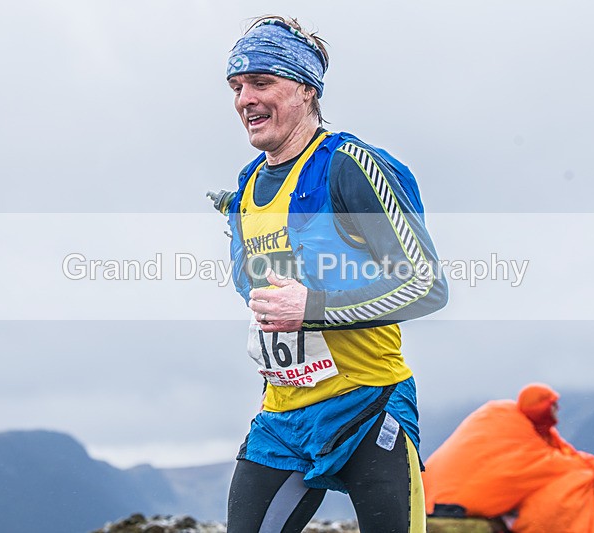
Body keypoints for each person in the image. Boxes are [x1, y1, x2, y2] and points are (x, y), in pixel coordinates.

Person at [219, 16, 448, 533]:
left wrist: (314, 309)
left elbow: (426, 285)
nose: (244, 100)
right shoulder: (248, 185)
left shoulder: (349, 164)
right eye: (236, 88)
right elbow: (257, 291)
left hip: (369, 407)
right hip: (282, 419)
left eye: (261, 83)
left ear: (304, 89)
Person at [422, 383, 594, 533]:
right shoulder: (509, 422)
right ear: (542, 407)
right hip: (453, 499)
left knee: (579, 473)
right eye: (553, 405)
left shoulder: (508, 415)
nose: (557, 409)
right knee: (580, 478)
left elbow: (554, 454)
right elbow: (536, 464)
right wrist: (586, 465)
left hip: (433, 491)